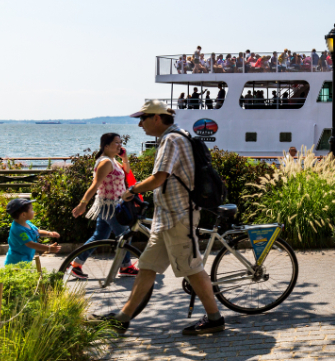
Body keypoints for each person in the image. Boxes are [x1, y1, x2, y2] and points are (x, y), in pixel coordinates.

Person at [100, 100, 225, 336]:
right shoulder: (176, 137)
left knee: (192, 269)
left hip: (178, 217)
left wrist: (132, 190)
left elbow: (159, 178)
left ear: (156, 118)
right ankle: (123, 318)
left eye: (143, 119)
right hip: (168, 218)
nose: (139, 124)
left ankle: (215, 318)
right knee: (147, 267)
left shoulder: (171, 140)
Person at [68, 134, 139, 279]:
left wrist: (124, 158)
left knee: (100, 236)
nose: (120, 146)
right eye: (116, 143)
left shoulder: (112, 160)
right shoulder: (105, 162)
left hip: (110, 204)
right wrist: (83, 204)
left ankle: (76, 264)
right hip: (111, 206)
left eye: (120, 143)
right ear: (106, 146)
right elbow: (95, 184)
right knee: (125, 235)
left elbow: (126, 171)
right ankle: (125, 266)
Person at [4, 199, 61, 265]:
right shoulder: (18, 230)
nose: (33, 211)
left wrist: (49, 233)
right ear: (23, 215)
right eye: (31, 210)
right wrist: (49, 248)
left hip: (25, 260)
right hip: (16, 263)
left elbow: (37, 232)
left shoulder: (27, 223)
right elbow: (30, 244)